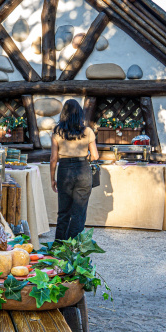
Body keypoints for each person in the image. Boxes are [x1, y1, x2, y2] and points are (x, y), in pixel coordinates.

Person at [50, 99, 99, 241]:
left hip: (64, 171)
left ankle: (59, 246)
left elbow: (53, 159)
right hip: (83, 170)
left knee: (63, 212)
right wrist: (85, 158)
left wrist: (52, 179)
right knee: (79, 213)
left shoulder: (57, 132)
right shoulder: (87, 131)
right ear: (80, 114)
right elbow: (95, 155)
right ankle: (72, 248)